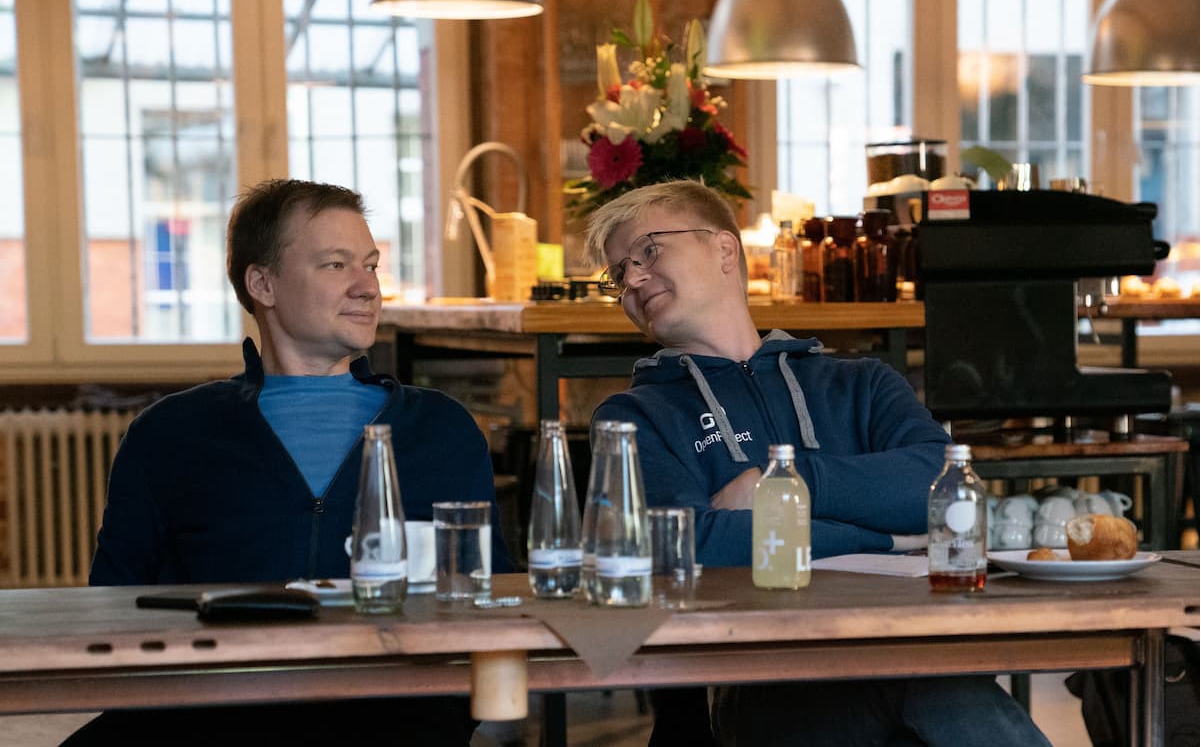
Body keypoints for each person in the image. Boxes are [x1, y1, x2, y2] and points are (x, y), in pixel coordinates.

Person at [585, 179, 1050, 747]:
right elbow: (684, 546)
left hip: (899, 645)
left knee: (931, 686)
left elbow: (946, 492)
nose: (632, 279)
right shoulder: (633, 416)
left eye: (649, 251)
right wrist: (886, 540)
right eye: (619, 273)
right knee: (939, 687)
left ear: (724, 249)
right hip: (751, 687)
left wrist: (780, 489)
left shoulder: (860, 382)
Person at [72, 179, 509, 746]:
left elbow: (493, 598)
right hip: (207, 720)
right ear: (263, 283)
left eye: (371, 266)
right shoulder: (170, 434)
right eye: (335, 265)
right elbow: (112, 608)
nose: (368, 288)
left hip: (390, 718)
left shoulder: (442, 429)